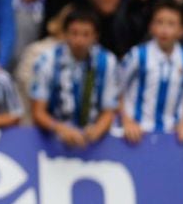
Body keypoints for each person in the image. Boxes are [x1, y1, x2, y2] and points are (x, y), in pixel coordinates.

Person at [30, 8, 118, 149]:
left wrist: (96, 131)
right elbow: (38, 112)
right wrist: (59, 128)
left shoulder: (107, 62)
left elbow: (109, 110)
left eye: (86, 34)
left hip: (94, 143)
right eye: (74, 33)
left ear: (96, 36)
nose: (79, 40)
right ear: (64, 34)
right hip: (53, 140)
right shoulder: (47, 60)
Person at [117, 0, 183, 143]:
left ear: (182, 30)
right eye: (159, 22)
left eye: (171, 24)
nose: (164, 29)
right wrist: (127, 121)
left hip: (172, 136)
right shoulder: (138, 55)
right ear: (151, 27)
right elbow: (116, 89)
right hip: (136, 134)